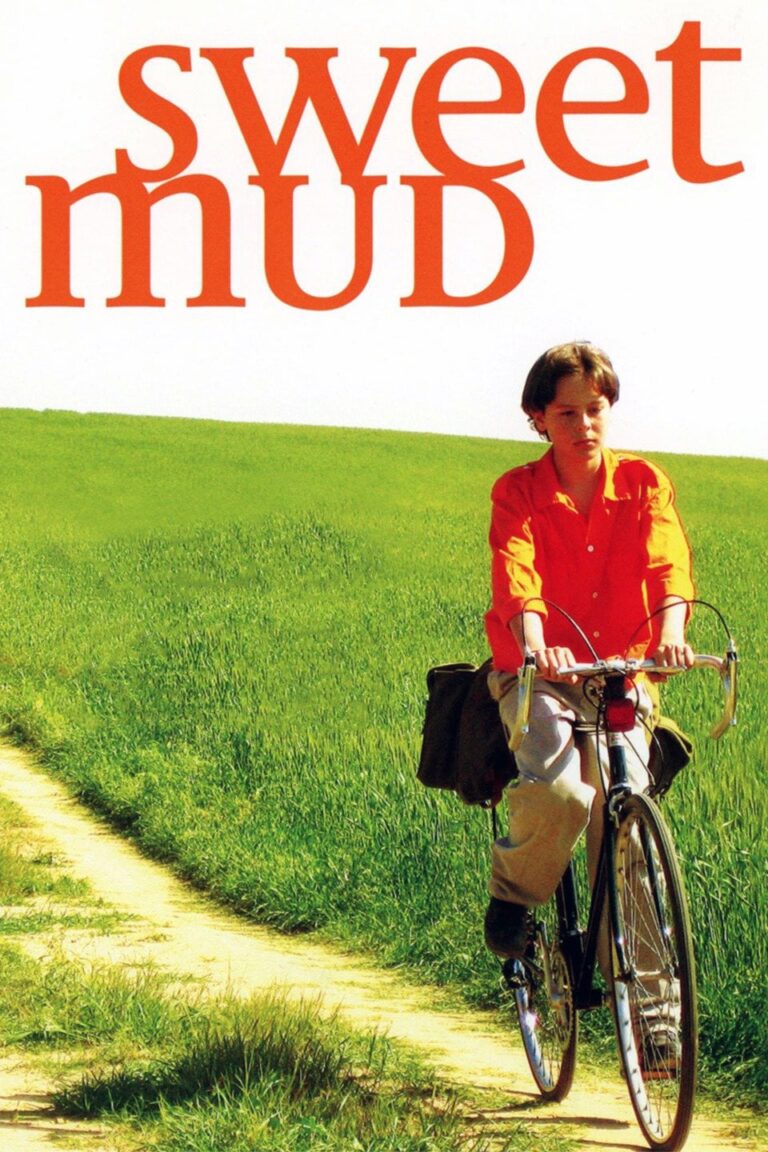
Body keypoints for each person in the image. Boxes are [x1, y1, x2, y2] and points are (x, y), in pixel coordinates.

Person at [483, 341, 695, 965]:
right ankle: (514, 896)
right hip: (539, 676)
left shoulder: (643, 484)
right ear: (539, 419)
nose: (584, 425)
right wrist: (535, 645)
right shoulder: (518, 491)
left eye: (595, 409)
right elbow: (516, 575)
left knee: (623, 815)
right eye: (567, 414)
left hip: (618, 674)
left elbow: (668, 564)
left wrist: (672, 632)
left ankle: (649, 1002)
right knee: (563, 794)